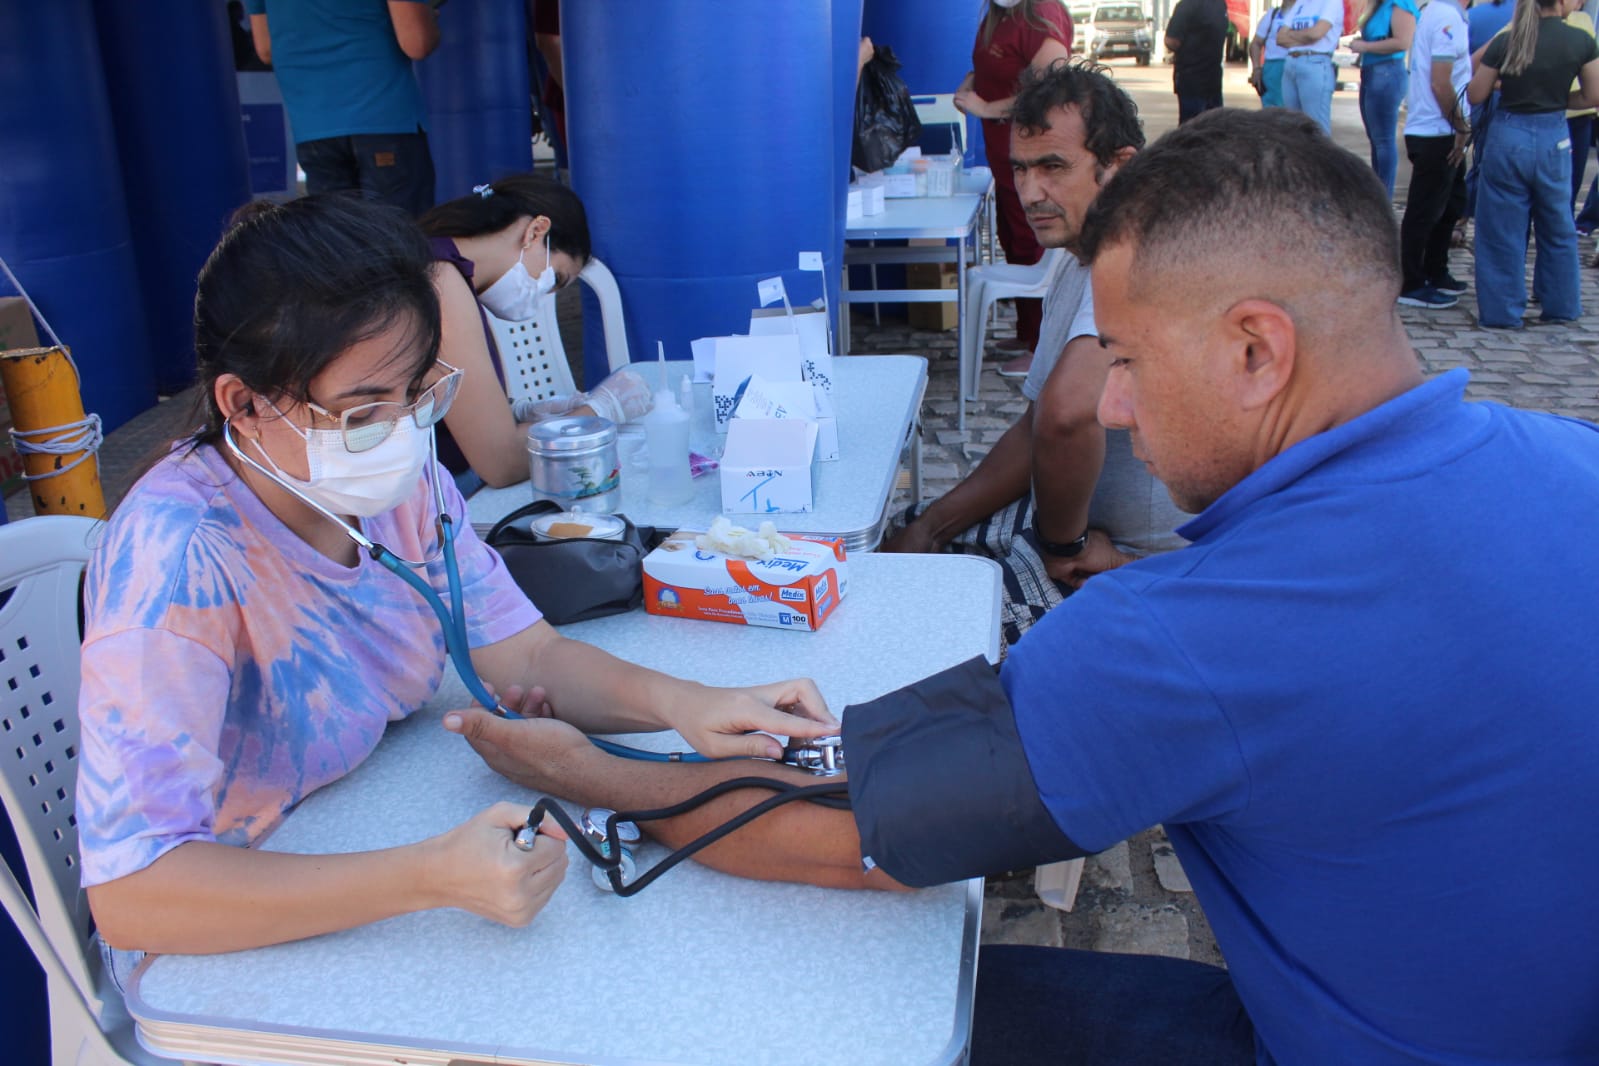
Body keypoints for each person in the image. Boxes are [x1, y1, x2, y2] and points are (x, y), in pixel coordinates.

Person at [446, 107, 1599, 1064]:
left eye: (1131, 361)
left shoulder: (1190, 635)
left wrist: (590, 772)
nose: (1111, 408)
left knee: (862, 1021)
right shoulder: (1577, 465)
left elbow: (850, 840)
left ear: (1257, 350)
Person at [74, 195, 836, 966]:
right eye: (365, 408)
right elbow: (135, 895)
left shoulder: (393, 488)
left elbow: (528, 657)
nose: (405, 432)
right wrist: (429, 877)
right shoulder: (172, 571)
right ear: (243, 403)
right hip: (236, 927)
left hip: (371, 818)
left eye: (417, 395)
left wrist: (691, 704)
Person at [883, 62, 1186, 649]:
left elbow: (1067, 415)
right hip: (1077, 534)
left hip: (1135, 568)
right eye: (1021, 168)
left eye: (1054, 167)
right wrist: (931, 526)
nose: (1029, 191)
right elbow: (1036, 427)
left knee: (917, 628)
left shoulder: (1131, 256)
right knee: (902, 532)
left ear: (1118, 166)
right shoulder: (1081, 253)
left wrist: (1062, 547)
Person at [419, 175, 652, 493]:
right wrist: (598, 413)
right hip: (436, 497)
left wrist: (518, 415)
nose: (543, 299)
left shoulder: (442, 266)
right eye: (555, 278)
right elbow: (501, 464)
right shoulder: (441, 283)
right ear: (535, 231)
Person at [955, 0, 1073, 378]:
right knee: (1014, 241)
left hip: (1030, 154)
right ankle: (1027, 333)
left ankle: (1043, 347)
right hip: (1005, 157)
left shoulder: (1041, 12)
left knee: (1033, 243)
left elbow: (1053, 85)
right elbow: (996, 66)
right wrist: (973, 84)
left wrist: (987, 107)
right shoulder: (998, 16)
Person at [1468, 0, 1599, 327]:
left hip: (1508, 134)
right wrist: (1559, 100)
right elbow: (1593, 95)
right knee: (1557, 224)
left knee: (1501, 229)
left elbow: (1475, 95)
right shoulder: (1581, 40)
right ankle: (1561, 305)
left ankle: (1502, 312)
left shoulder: (1508, 39)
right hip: (1554, 134)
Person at [246, 0, 439, 216]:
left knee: (338, 240)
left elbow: (265, 49)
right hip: (384, 117)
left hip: (312, 125)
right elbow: (417, 42)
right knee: (402, 238)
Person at [1395, 0, 1472, 309]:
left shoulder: (1445, 14)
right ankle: (1411, 282)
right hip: (1437, 131)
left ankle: (1435, 270)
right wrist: (1461, 127)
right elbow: (1441, 82)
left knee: (1450, 204)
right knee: (1425, 210)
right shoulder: (1444, 15)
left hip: (1441, 129)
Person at [1349, 0, 1419, 198]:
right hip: (1372, 72)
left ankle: (1384, 196)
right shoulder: (1379, 5)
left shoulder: (1400, 4)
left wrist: (1365, 46)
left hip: (1387, 73)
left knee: (1383, 140)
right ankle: (1379, 193)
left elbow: (1402, 41)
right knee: (1376, 139)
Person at [1277, 0, 1344, 133]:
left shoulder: (1331, 2)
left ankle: (1323, 155)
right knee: (1292, 127)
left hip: (1315, 62)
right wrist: (1306, 36)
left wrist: (1291, 34)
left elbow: (1316, 33)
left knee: (1317, 129)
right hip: (1291, 63)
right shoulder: (1300, 3)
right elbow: (1280, 38)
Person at [1164, 0, 1231, 122]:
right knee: (1214, 129)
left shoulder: (1187, 5)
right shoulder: (1220, 5)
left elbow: (1171, 41)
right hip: (1212, 79)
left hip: (1192, 78)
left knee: (1192, 130)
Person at [1249, 4, 1291, 106]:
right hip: (1272, 71)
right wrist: (1256, 69)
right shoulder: (1273, 15)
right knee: (1272, 113)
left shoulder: (1305, 14)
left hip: (1294, 66)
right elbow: (1256, 44)